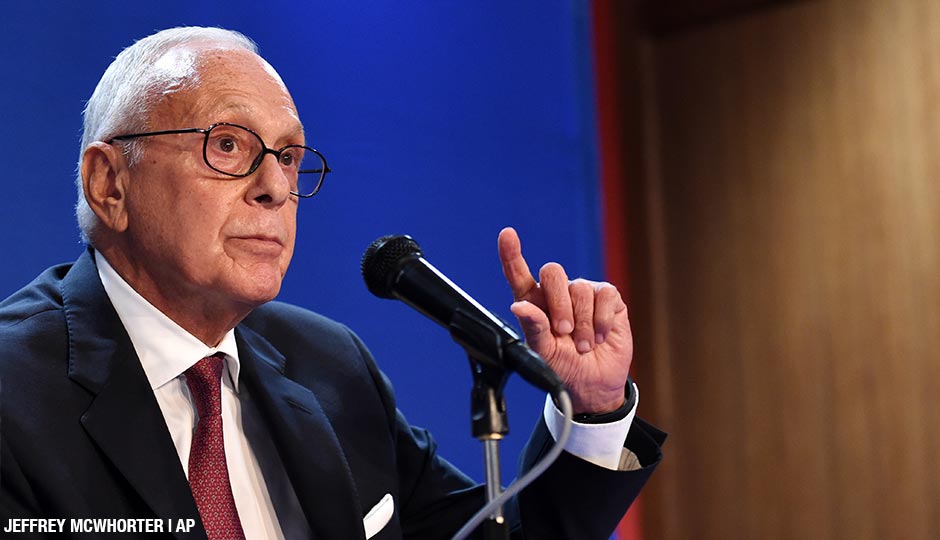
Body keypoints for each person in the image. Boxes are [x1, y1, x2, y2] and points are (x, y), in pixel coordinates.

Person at [0, 27, 664, 539]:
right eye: (228, 146)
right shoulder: (13, 395)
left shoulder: (330, 368)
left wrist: (592, 411)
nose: (274, 187)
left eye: (288, 157)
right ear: (110, 183)